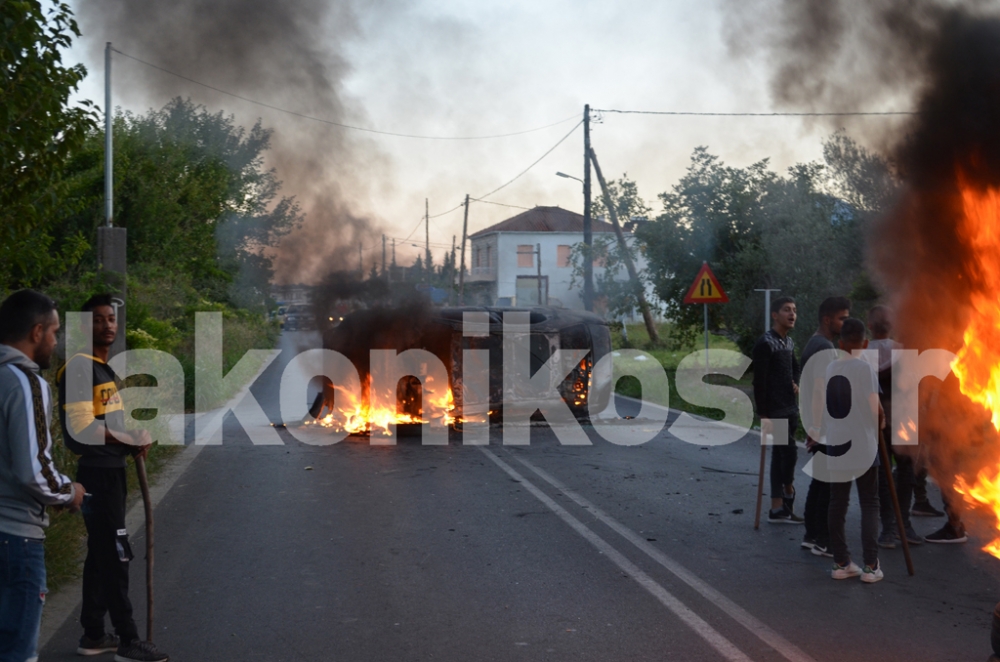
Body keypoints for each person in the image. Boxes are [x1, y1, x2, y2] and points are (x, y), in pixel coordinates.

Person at [58, 295, 169, 662]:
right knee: (115, 556)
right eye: (99, 320)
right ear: (83, 327)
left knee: (101, 556)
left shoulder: (102, 370)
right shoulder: (78, 368)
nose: (108, 325)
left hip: (112, 472)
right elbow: (80, 429)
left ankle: (93, 634)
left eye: (111, 319)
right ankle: (128, 639)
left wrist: (131, 440)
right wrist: (126, 438)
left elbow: (109, 426)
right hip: (97, 478)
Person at [0, 290, 85, 661]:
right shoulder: (24, 381)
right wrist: (69, 492)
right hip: (15, 539)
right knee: (18, 652)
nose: (56, 340)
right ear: (36, 332)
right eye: (54, 331)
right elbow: (34, 470)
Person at [825, 318, 885, 583]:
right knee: (870, 502)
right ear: (865, 342)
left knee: (838, 502)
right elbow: (876, 408)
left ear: (840, 343)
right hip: (863, 443)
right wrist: (881, 423)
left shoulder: (829, 368)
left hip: (837, 443)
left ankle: (841, 563)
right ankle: (871, 566)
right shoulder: (864, 369)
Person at [865, 305, 922, 548]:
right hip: (901, 419)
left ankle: (891, 526)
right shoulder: (903, 351)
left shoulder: (863, 351)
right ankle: (901, 524)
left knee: (884, 473)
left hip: (880, 420)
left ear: (870, 326)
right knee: (904, 471)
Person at [800, 296, 851, 556]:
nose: (846, 322)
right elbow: (820, 389)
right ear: (827, 319)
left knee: (821, 481)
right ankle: (824, 539)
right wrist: (819, 427)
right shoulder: (823, 348)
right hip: (825, 424)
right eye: (842, 317)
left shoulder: (817, 343)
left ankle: (812, 534)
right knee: (831, 485)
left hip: (817, 421)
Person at [753, 296, 802, 523]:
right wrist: (763, 413)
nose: (792, 314)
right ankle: (787, 494)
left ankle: (777, 507)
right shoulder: (766, 343)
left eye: (794, 310)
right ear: (775, 315)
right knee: (788, 453)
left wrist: (795, 381)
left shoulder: (788, 343)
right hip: (775, 410)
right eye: (786, 310)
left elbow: (795, 367)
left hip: (790, 407)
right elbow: (759, 381)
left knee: (782, 455)